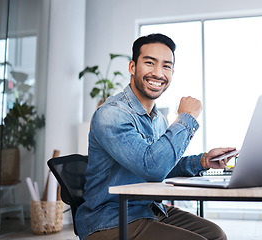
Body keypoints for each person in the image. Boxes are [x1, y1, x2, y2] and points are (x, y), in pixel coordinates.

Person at [75, 33, 237, 240]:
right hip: (111, 219)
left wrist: (204, 160)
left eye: (166, 66)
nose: (158, 73)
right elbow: (153, 168)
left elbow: (165, 166)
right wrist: (186, 118)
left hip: (149, 210)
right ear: (132, 67)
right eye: (150, 63)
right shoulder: (111, 114)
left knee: (215, 234)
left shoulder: (158, 119)